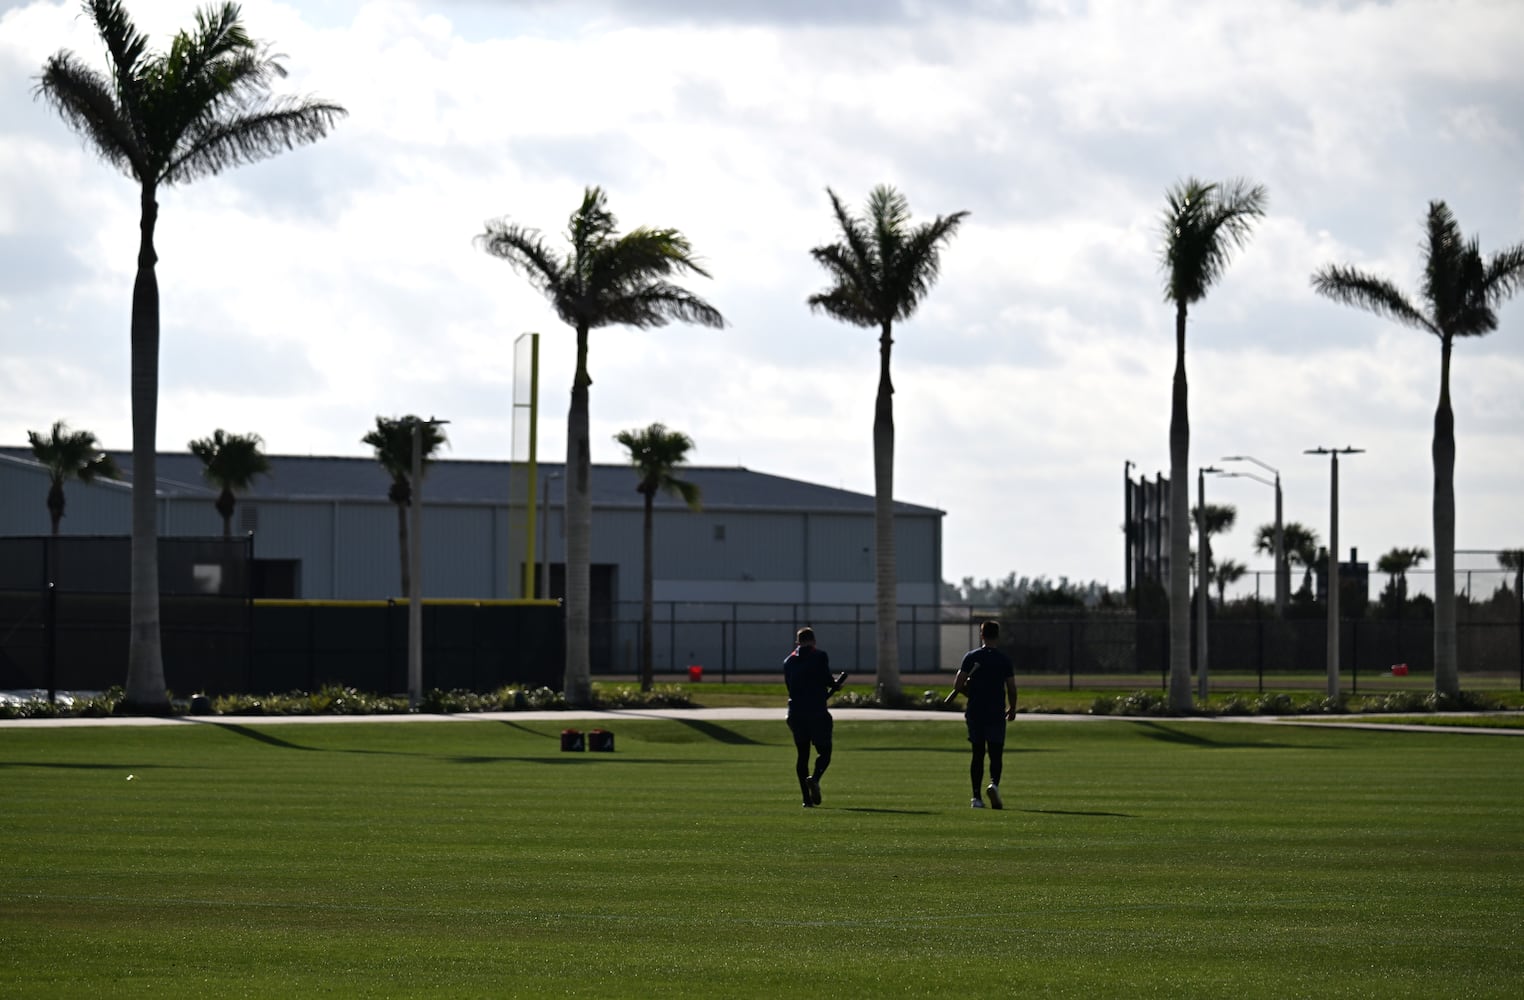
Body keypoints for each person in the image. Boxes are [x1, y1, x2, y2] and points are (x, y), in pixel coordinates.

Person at [946, 620, 1017, 809]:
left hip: (976, 712)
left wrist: (971, 692)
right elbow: (1011, 688)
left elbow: (958, 685)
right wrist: (1013, 708)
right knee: (996, 753)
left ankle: (976, 797)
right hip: (995, 712)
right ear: (997, 635)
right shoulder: (1004, 660)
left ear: (982, 635)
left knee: (977, 754)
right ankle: (994, 784)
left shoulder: (971, 657)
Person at [782, 627, 848, 807]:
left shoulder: (788, 661)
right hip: (817, 712)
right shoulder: (819, 656)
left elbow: (791, 687)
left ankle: (806, 800)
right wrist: (835, 684)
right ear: (814, 640)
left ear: (798, 642)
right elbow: (826, 679)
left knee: (802, 755)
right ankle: (815, 778)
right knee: (825, 752)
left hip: (795, 712)